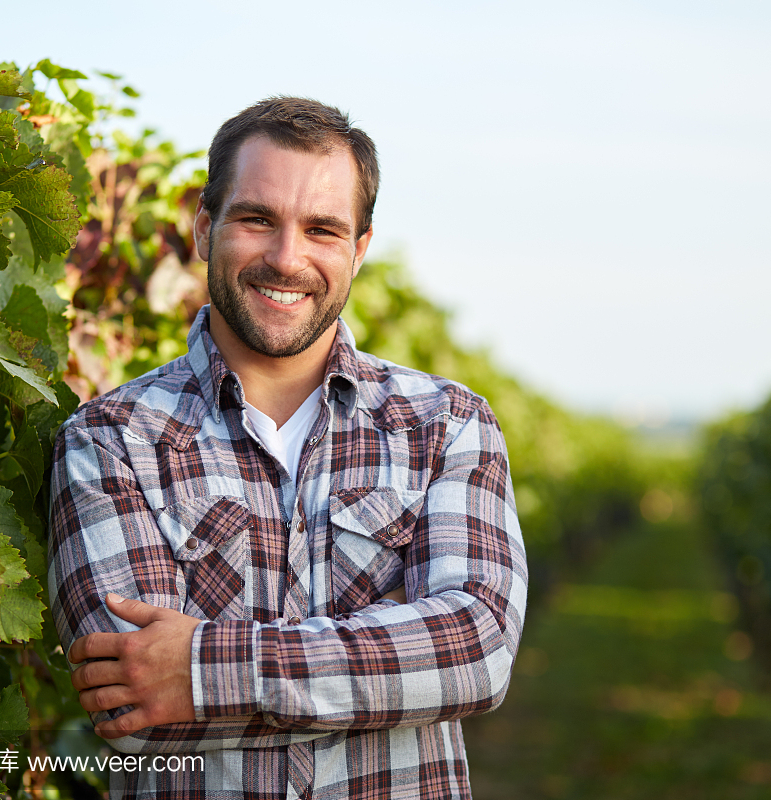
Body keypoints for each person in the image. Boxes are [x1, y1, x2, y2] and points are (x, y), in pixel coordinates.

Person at [48, 96, 528, 799]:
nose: (287, 257)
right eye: (256, 219)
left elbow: (475, 653)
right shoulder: (107, 441)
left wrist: (204, 669)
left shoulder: (448, 426)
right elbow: (136, 710)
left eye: (323, 229)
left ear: (358, 250)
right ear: (205, 228)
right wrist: (396, 658)